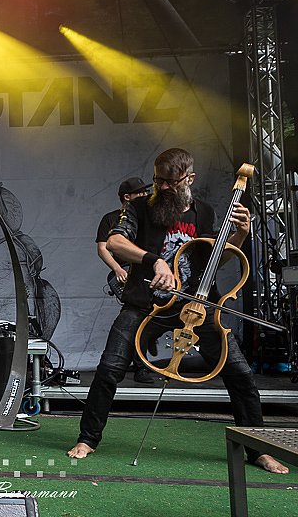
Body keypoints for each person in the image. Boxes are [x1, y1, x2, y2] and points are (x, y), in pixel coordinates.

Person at [68, 148, 290, 475]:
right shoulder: (139, 208)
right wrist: (154, 260)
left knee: (240, 374)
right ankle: (88, 439)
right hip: (146, 304)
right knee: (109, 368)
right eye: (159, 181)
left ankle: (258, 450)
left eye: (171, 182)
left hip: (196, 305)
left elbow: (212, 261)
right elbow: (115, 243)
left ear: (189, 179)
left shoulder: (204, 213)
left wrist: (240, 235)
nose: (164, 187)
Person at [96, 176, 154, 383]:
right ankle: (139, 367)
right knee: (135, 319)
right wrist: (117, 268)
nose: (145, 195)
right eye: (140, 192)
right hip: (127, 274)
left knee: (148, 320)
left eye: (146, 192)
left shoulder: (149, 217)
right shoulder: (110, 218)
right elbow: (103, 248)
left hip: (148, 274)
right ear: (127, 197)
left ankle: (139, 361)